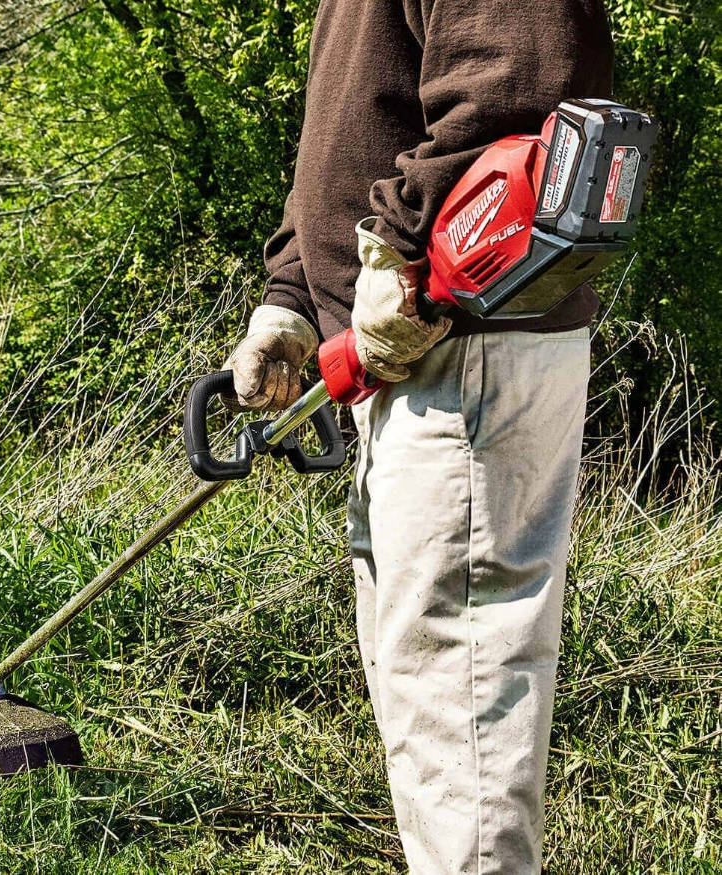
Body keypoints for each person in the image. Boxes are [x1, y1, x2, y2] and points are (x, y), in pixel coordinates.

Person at [225, 1, 614, 871]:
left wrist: (397, 256)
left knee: (458, 695)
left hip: (462, 342)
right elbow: (358, 110)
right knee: (431, 681)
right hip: (418, 352)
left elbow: (512, 89)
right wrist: (290, 294)